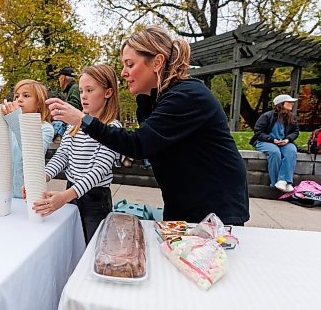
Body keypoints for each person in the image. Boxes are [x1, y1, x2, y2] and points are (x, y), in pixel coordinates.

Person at [47, 25, 250, 226]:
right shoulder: (154, 101)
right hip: (184, 203)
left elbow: (138, 144)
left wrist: (82, 120)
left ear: (157, 62)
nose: (123, 73)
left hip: (215, 206)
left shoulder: (187, 95)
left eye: (129, 64)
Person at [34, 64, 121, 243]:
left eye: (90, 90)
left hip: (96, 199)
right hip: (71, 191)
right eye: (81, 90)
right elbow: (63, 155)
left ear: (108, 93)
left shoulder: (112, 128)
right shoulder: (74, 125)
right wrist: (43, 176)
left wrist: (66, 196)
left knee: (93, 246)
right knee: (72, 243)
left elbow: (99, 171)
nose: (83, 96)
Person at [0, 79, 54, 199]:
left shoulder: (45, 128)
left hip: (28, 196)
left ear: (39, 103)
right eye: (16, 96)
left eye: (26, 95)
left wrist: (14, 120)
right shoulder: (6, 125)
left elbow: (33, 155)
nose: (19, 99)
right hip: (1, 194)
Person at [250, 94, 299, 192]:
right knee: (275, 152)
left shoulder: (291, 117)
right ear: (281, 104)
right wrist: (272, 140)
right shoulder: (267, 116)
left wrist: (287, 140)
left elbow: (295, 131)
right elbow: (258, 131)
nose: (292, 104)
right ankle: (275, 182)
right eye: (289, 102)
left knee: (292, 151)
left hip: (284, 142)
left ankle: (285, 181)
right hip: (265, 141)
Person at [52, 67, 82, 141]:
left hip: (75, 124)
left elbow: (76, 106)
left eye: (59, 78)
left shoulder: (74, 88)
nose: (58, 80)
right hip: (73, 124)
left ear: (63, 78)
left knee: (57, 123)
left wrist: (58, 106)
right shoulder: (71, 89)